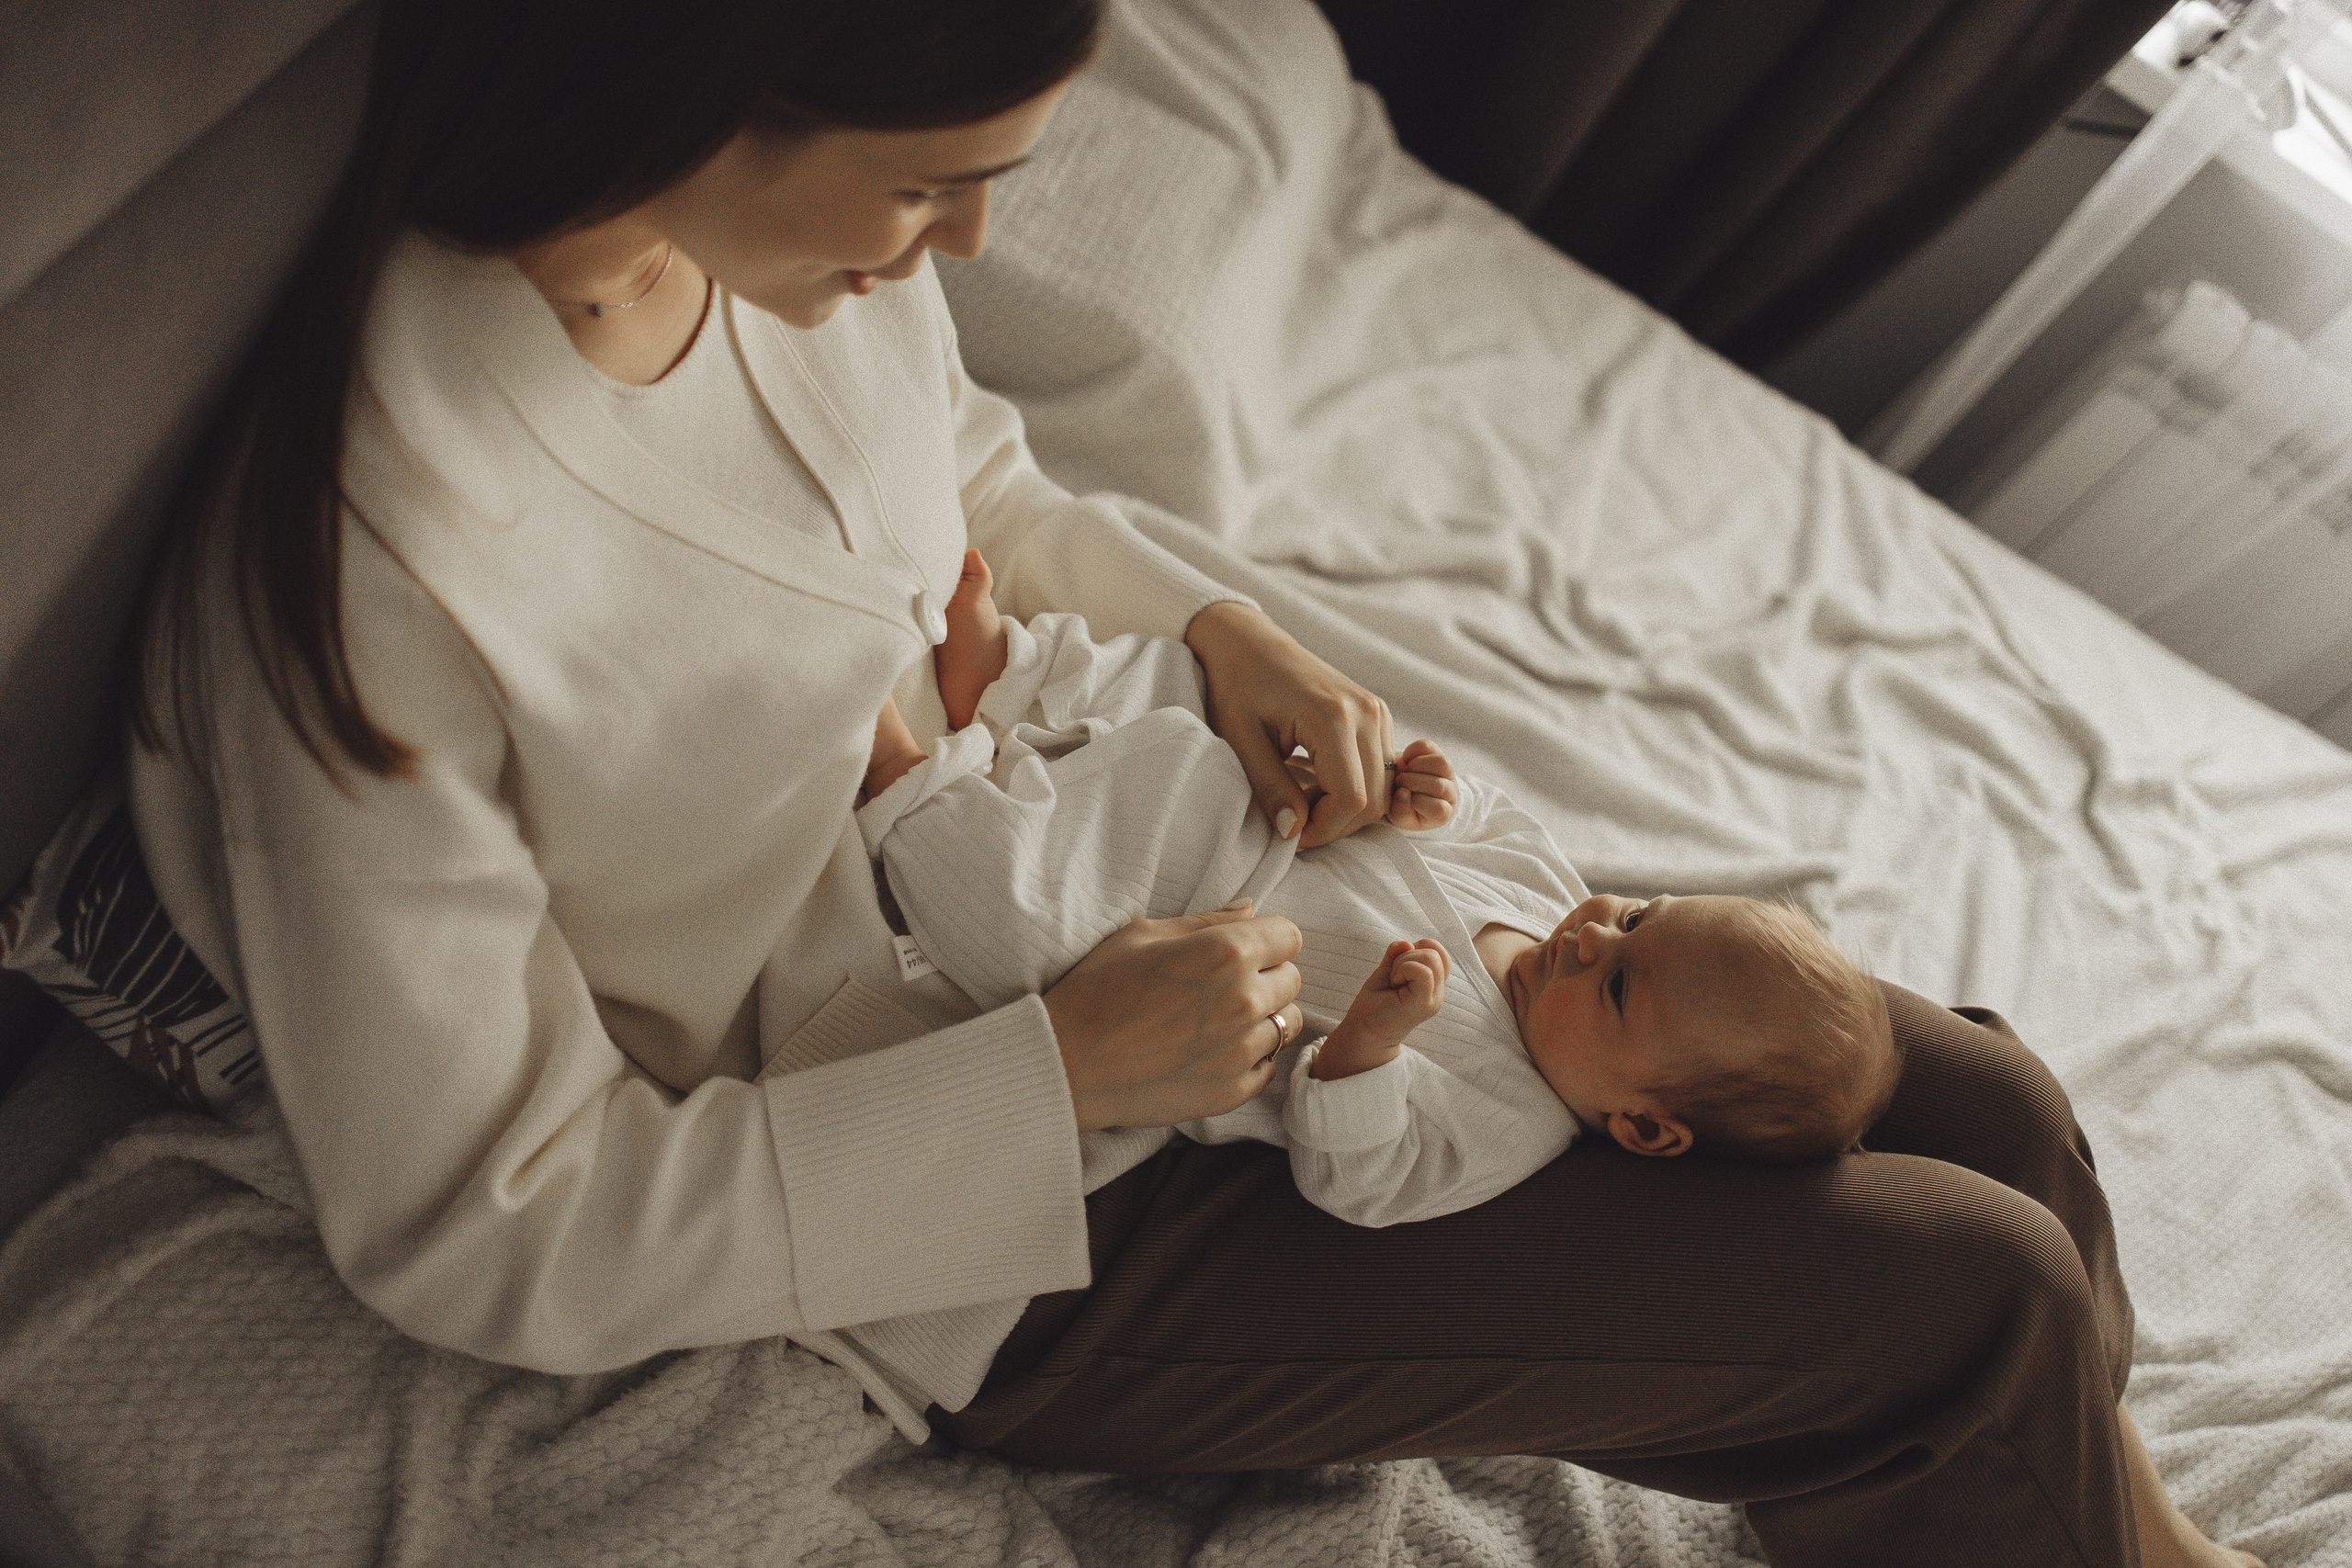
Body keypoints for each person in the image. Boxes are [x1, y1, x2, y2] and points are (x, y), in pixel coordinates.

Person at [119, 3, 2257, 1565]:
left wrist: (1220, 629)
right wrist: (1055, 1068)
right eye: (926, 183)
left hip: (1192, 906)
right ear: (705, 85)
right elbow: (480, 1226)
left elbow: (970, 484)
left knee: (1973, 1096)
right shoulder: (382, 568)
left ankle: (2108, 1531)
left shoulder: (787, 261)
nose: (958, 248)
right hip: (1008, 1199)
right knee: (1956, 1295)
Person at [862, 554, 1901, 1231]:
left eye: (1621, 986)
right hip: (1236, 810)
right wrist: (1425, 800)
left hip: (1160, 931)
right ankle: (1007, 671)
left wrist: (1368, 1047)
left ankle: (905, 780)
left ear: (1642, 1126)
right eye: (1636, 914)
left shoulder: (1508, 1124)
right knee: (1176, 692)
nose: (1589, 936)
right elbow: (1492, 824)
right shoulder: (1550, 898)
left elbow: (1358, 1177)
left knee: (1010, 919)